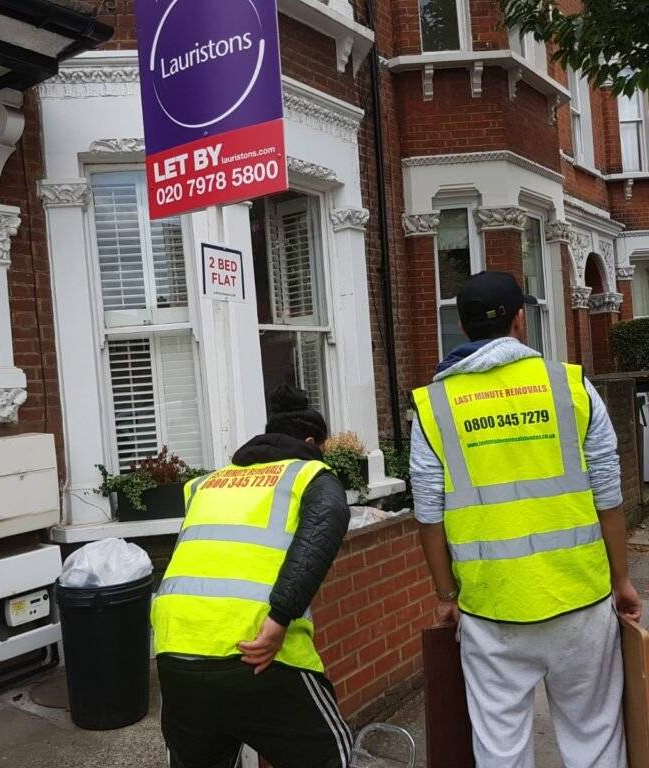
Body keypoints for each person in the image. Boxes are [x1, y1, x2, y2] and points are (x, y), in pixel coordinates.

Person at [410, 270, 642, 768]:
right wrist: (621, 580)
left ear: (463, 326)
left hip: (491, 609)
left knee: (500, 749)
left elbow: (428, 515)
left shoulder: (435, 406)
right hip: (580, 600)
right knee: (595, 738)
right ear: (521, 320)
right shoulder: (572, 387)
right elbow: (608, 494)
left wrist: (446, 596)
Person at [152, 384, 353, 768]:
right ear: (311, 443)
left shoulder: (206, 483)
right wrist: (280, 618)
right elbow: (321, 533)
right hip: (258, 648)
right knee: (329, 756)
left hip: (176, 652)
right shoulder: (311, 474)